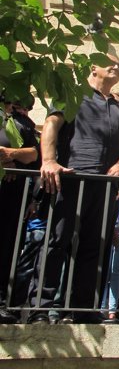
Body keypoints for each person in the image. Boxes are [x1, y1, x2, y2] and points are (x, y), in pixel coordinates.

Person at [29, 53, 119, 324]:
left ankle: (83, 309)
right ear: (93, 68)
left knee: (94, 247)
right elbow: (51, 124)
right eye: (110, 62)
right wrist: (49, 160)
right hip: (70, 179)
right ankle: (40, 308)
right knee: (56, 242)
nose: (116, 66)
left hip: (104, 187)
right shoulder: (73, 95)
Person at [0, 96, 39, 323]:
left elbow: (34, 154)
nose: (24, 110)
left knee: (8, 248)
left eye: (28, 107)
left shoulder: (25, 125)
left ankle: (4, 303)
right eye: (18, 104)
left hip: (15, 195)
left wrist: (12, 155)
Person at [101, 187, 119, 322]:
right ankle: (100, 308)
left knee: (116, 273)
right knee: (104, 272)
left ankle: (112, 310)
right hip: (108, 233)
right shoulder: (109, 193)